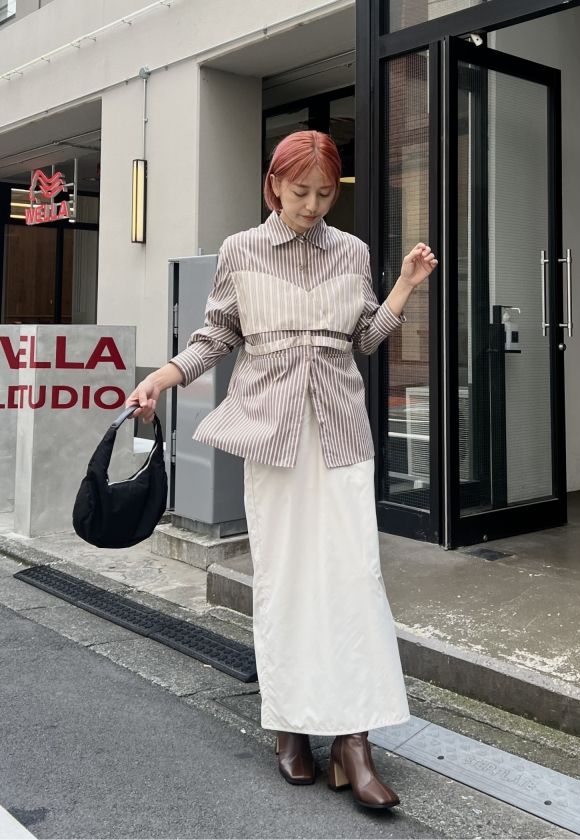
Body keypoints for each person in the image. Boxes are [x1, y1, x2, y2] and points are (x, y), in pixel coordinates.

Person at [126, 130, 438, 810]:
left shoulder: (351, 251)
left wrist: (405, 288)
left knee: (353, 580)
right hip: (273, 436)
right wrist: (164, 377)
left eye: (325, 194)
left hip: (341, 434)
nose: (313, 205)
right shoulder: (241, 250)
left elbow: (364, 340)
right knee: (286, 581)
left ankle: (354, 740)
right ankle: (291, 724)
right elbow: (217, 335)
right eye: (301, 192)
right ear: (274, 186)